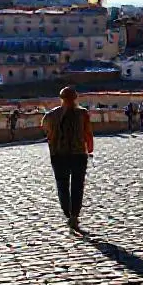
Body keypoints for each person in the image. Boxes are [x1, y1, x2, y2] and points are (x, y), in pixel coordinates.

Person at [41, 86, 94, 234]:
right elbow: (88, 133)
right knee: (77, 186)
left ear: (61, 99)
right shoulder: (82, 114)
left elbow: (45, 129)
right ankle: (74, 215)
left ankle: (68, 213)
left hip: (58, 154)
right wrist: (89, 149)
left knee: (62, 185)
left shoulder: (51, 115)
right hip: (78, 154)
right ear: (75, 98)